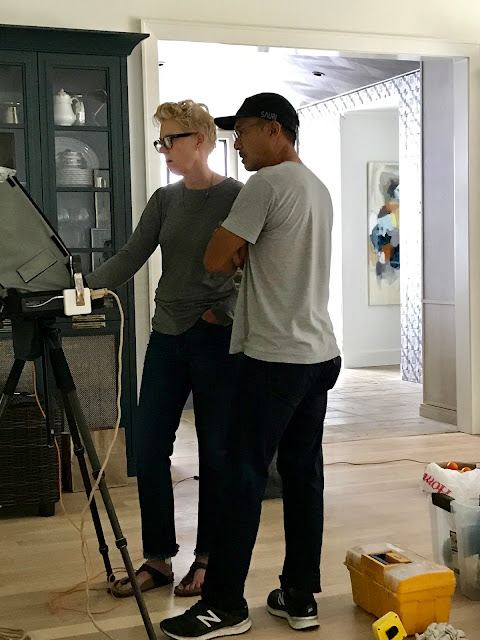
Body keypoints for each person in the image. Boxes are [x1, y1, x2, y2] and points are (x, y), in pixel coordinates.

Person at [160, 92, 341, 639]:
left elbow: (216, 257)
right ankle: (299, 597)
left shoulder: (265, 185)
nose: (236, 143)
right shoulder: (316, 186)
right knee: (303, 478)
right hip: (319, 354)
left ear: (273, 129)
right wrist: (247, 252)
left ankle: (224, 606)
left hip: (274, 358)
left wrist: (239, 251)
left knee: (241, 478)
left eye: (241, 132)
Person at [85, 99, 242, 598]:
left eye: (172, 139)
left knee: (215, 451)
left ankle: (207, 558)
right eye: (162, 141)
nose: (165, 149)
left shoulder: (237, 197)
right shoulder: (165, 200)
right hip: (166, 336)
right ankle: (158, 559)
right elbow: (132, 254)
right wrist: (82, 287)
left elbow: (257, 267)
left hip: (215, 338)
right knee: (149, 448)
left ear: (202, 139)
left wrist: (223, 312)